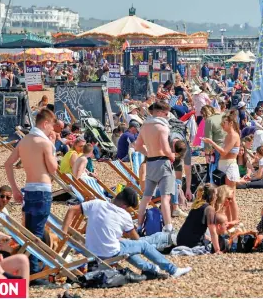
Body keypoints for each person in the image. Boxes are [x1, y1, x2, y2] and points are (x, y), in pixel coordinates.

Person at [62, 187, 191, 279]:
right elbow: (136, 240)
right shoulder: (124, 214)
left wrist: (64, 232)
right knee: (143, 245)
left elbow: (72, 210)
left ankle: (151, 269)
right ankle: (172, 269)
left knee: (127, 247)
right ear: (124, 206)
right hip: (108, 252)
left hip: (92, 251)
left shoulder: (96, 204)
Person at [4, 108, 58, 284]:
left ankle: (29, 267)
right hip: (42, 189)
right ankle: (34, 272)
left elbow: (8, 164)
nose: (53, 130)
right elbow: (53, 169)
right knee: (37, 233)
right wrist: (53, 146)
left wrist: (14, 189)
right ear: (45, 123)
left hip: (28, 189)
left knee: (28, 232)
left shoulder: (24, 141)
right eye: (51, 126)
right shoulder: (45, 143)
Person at [134, 101, 176, 232]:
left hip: (150, 162)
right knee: (165, 196)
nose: (167, 116)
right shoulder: (162, 128)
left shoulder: (144, 127)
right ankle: (168, 227)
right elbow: (165, 147)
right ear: (159, 112)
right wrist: (172, 156)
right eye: (165, 113)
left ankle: (139, 226)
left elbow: (137, 146)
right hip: (163, 162)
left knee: (146, 197)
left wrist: (148, 153)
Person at [202, 115, 241, 226]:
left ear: (230, 123)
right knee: (224, 197)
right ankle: (228, 221)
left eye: (224, 123)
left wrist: (212, 142)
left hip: (229, 166)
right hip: (224, 165)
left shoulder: (233, 135)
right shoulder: (228, 135)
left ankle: (235, 221)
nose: (222, 126)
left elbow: (224, 152)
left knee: (231, 196)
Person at [176, 184, 224, 253]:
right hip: (193, 244)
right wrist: (217, 250)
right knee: (221, 241)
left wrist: (205, 237)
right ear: (212, 196)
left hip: (180, 240)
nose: (217, 197)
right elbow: (213, 231)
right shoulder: (209, 209)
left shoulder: (196, 205)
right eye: (216, 195)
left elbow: (195, 226)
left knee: (209, 239)